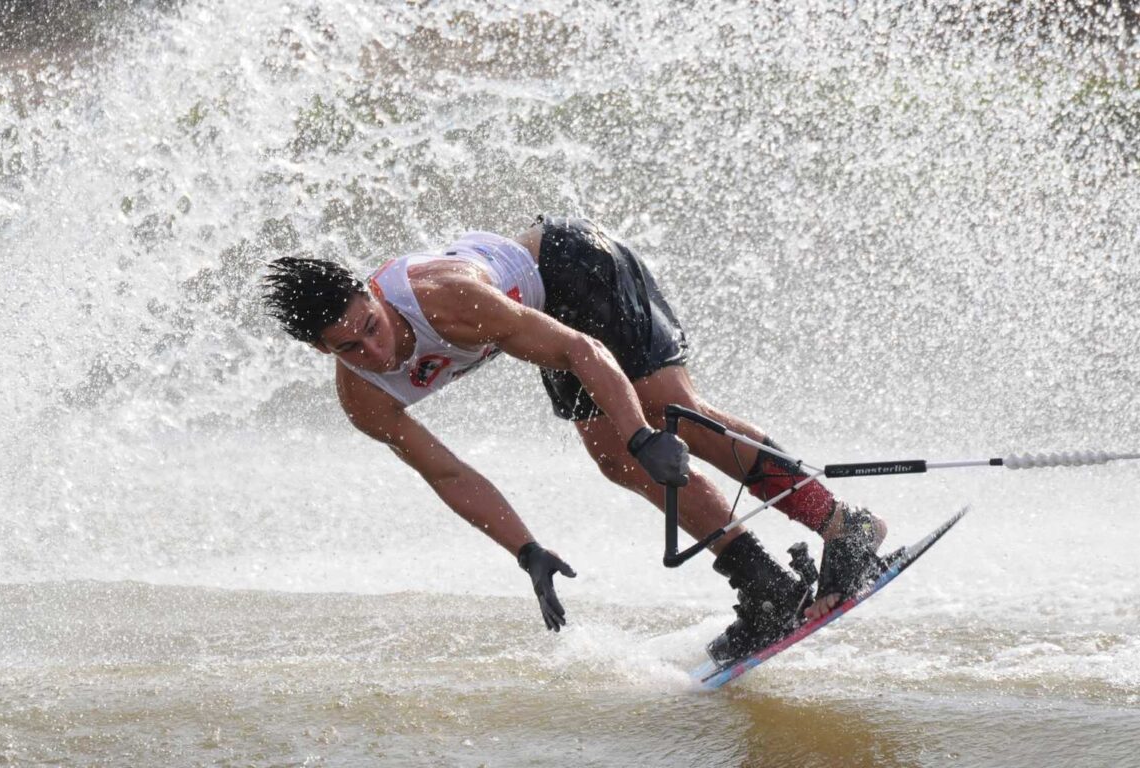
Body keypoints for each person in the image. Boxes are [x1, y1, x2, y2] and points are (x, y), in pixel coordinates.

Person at [261, 215, 888, 662]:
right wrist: (525, 549)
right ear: (322, 350)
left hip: (573, 266)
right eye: (350, 347)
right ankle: (765, 585)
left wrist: (644, 433)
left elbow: (578, 347)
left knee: (672, 412)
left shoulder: (445, 300)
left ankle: (841, 524)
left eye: (371, 325)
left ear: (372, 293)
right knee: (614, 460)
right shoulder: (364, 400)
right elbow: (448, 474)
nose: (377, 349)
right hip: (545, 322)